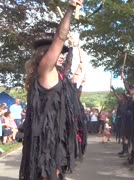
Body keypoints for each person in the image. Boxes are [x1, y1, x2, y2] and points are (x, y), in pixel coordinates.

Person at [19, 1, 83, 179]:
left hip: (56, 137)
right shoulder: (45, 69)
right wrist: (70, 9)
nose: (60, 56)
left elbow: (68, 60)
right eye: (57, 53)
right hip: (46, 141)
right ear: (46, 54)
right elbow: (60, 37)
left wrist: (72, 48)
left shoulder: (58, 75)